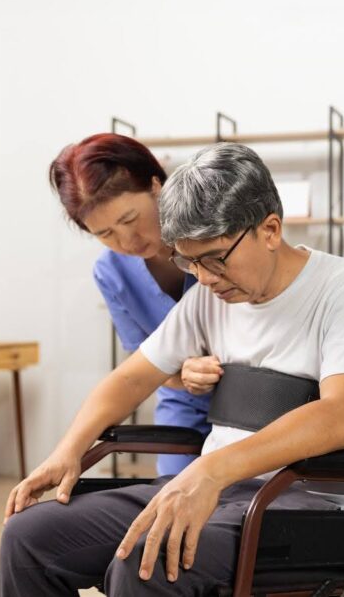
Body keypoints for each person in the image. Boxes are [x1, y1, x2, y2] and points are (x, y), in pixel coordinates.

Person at [1, 143, 344, 596]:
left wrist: (212, 471)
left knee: (147, 561)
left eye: (215, 259)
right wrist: (67, 451)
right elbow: (131, 378)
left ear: (269, 230)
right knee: (29, 538)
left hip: (313, 501)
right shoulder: (210, 298)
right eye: (189, 261)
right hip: (224, 489)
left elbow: (343, 417)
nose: (202, 278)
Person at [50, 133, 218, 475]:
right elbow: (139, 367)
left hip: (251, 396)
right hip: (184, 405)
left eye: (129, 220)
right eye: (105, 234)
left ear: (156, 185)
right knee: (172, 488)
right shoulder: (111, 272)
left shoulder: (217, 235)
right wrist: (182, 376)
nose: (126, 241)